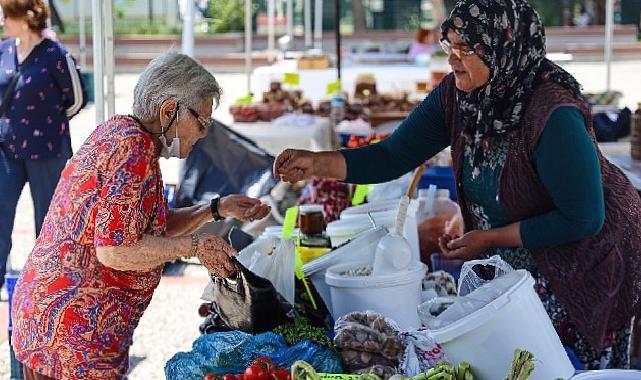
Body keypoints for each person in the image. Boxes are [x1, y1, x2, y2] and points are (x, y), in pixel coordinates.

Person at [274, 0, 641, 370]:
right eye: (449, 47)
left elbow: (583, 217)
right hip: (527, 258)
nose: (452, 59)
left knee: (568, 366)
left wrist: (490, 237)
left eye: (466, 49)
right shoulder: (458, 96)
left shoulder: (552, 114)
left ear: (502, 48)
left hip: (590, 258)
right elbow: (393, 155)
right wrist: (315, 162)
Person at [11, 52, 271, 379]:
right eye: (201, 122)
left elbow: (151, 227)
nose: (204, 133)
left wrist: (216, 209)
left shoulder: (131, 138)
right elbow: (115, 250)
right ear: (168, 111)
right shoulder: (130, 151)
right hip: (68, 332)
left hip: (64, 323)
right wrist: (194, 246)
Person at [0, 0, 86, 292]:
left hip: (47, 152)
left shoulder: (55, 55)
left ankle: (47, 288)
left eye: (7, 15)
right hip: (7, 151)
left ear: (25, 18)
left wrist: (49, 124)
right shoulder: (4, 51)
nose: (2, 21)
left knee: (48, 224)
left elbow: (76, 98)